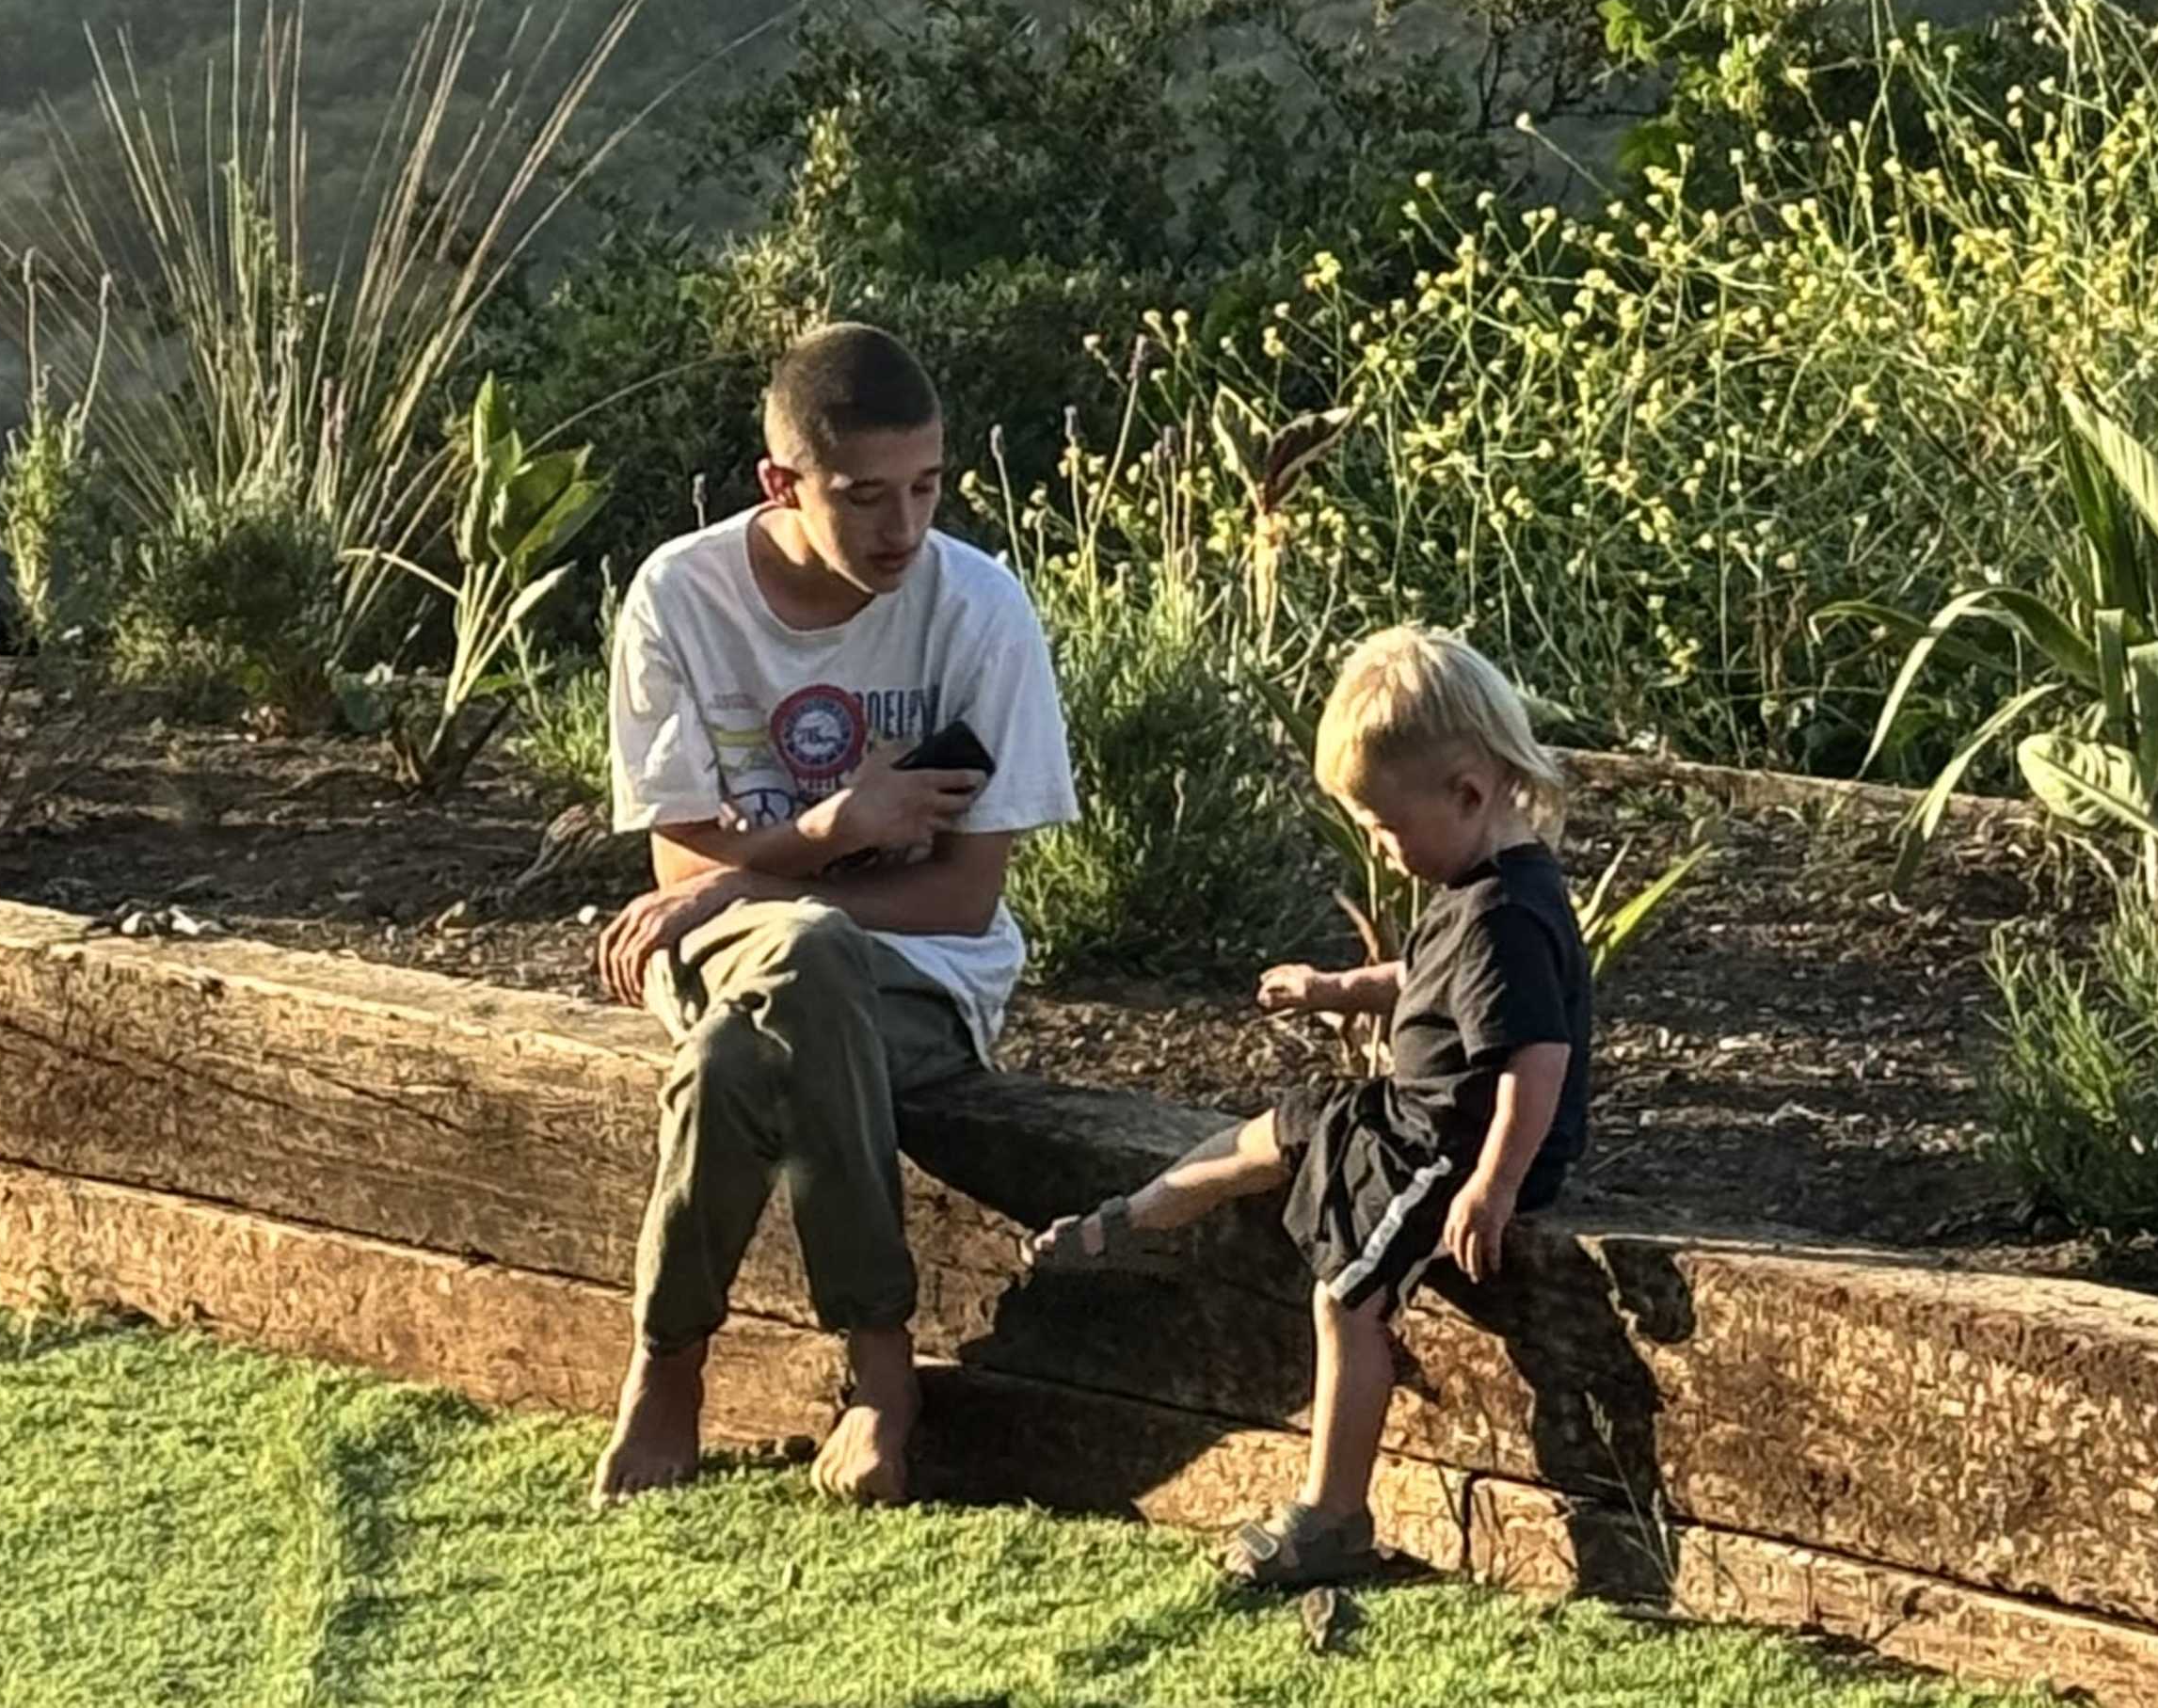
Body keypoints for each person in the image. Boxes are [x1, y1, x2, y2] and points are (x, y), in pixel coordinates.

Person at [590, 319, 1079, 1508]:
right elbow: (681, 875)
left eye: (926, 488)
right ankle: (879, 1374)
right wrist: (827, 835)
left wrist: (766, 874)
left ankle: (668, 1362)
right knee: (800, 954)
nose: (903, 530)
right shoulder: (681, 597)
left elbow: (963, 900)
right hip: (727, 950)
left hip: (921, 978)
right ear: (781, 482)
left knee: (730, 1058)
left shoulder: (982, 612)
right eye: (863, 497)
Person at [1016, 622, 1590, 1597]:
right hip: (1414, 1114)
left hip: (1453, 1152)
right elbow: (1428, 981)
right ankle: (1135, 1218)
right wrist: (1334, 988)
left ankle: (1332, 1516)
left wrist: (1493, 1188)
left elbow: (1537, 1057)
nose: (1378, 844)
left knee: (1348, 1297)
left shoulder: (1505, 913)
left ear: (1467, 790)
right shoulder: (1475, 882)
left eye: (1381, 824)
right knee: (1282, 1126)